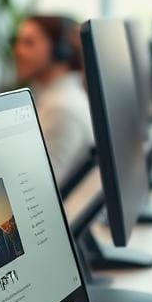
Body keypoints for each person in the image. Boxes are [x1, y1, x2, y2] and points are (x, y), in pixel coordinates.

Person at [13, 15, 95, 181]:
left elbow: (46, 186)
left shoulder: (61, 108)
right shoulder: (54, 95)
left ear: (60, 50)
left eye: (28, 43)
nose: (17, 51)